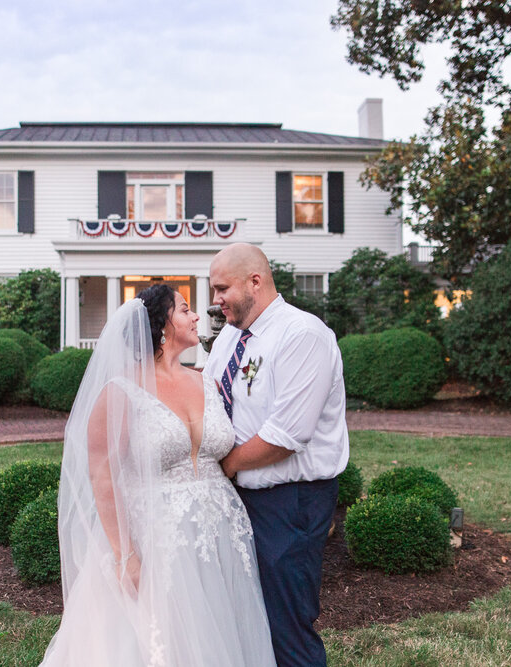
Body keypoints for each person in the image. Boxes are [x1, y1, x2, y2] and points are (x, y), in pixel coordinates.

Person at [40, 284, 276, 667]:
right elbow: (102, 475)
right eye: (185, 310)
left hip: (220, 533)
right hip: (157, 537)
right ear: (163, 325)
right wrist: (125, 556)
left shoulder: (206, 380)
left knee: (222, 630)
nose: (197, 316)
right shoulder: (120, 391)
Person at [204, 243, 349, 667]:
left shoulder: (303, 335)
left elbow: (287, 435)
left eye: (221, 288)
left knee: (286, 625)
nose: (215, 301)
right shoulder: (230, 336)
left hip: (291, 502)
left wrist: (226, 465)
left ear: (255, 281)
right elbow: (208, 395)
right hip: (238, 499)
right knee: (245, 620)